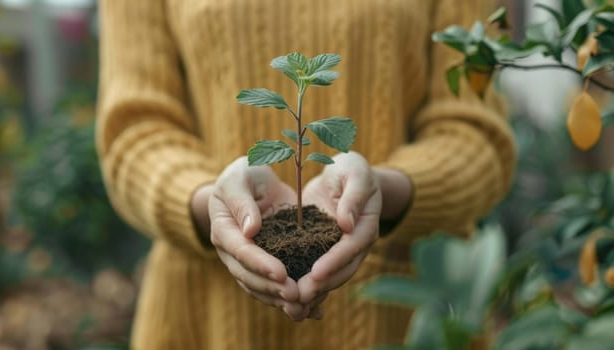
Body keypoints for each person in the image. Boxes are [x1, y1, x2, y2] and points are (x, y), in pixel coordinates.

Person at [96, 0, 516, 349]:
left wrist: (382, 191)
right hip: (204, 323)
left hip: (402, 321)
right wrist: (209, 201)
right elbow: (133, 134)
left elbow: (476, 136)